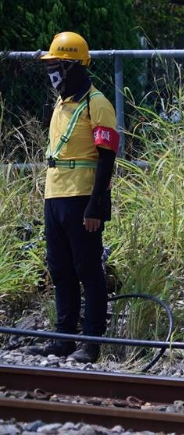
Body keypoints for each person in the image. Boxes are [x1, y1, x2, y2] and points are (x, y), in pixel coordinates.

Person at [27, 32, 119, 363]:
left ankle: (91, 341)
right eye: (51, 66)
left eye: (58, 66)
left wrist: (96, 204)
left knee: (88, 269)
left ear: (76, 67)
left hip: (83, 198)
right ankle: (63, 338)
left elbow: (107, 157)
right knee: (60, 269)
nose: (53, 73)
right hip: (56, 197)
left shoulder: (98, 104)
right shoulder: (62, 104)